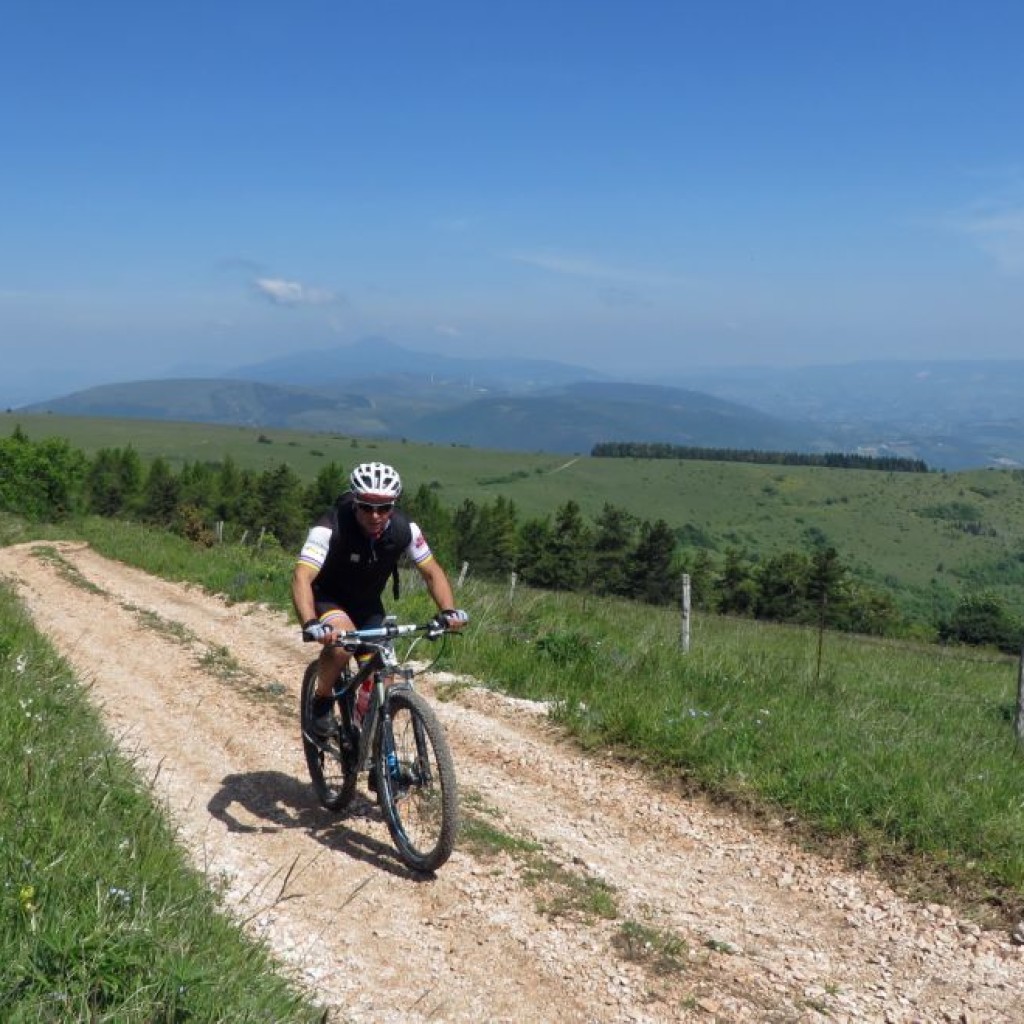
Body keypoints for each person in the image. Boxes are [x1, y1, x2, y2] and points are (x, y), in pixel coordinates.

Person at [292, 460, 468, 735]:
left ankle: (370, 742)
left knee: (387, 677)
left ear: (393, 506)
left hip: (367, 602)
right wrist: (310, 622)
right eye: (367, 507)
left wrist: (448, 611)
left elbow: (432, 572)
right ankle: (322, 700)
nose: (375, 515)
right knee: (342, 644)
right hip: (328, 596)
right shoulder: (330, 527)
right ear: (355, 503)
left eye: (384, 508)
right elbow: (302, 577)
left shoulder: (404, 529)